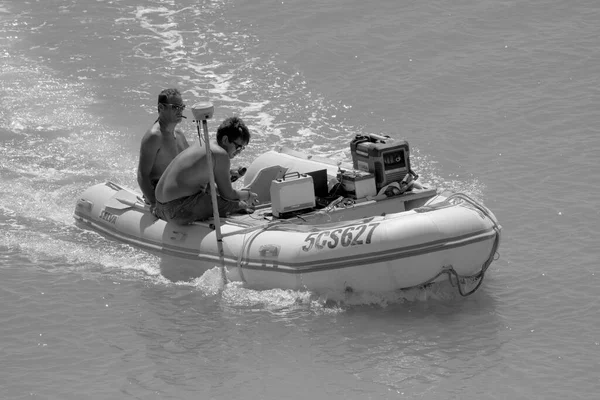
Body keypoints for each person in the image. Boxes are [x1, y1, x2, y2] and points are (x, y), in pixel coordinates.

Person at [153, 116, 259, 224]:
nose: (239, 151)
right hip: (176, 210)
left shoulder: (204, 143)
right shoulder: (221, 154)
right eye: (238, 147)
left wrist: (227, 174)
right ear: (225, 139)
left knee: (219, 197)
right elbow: (228, 195)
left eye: (242, 148)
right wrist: (247, 195)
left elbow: (208, 186)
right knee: (237, 205)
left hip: (159, 206)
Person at [137, 88, 190, 214]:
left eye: (182, 107)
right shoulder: (154, 136)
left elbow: (193, 163)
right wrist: (154, 203)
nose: (180, 110)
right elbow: (142, 175)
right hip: (160, 192)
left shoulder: (179, 134)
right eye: (175, 107)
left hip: (178, 189)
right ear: (161, 108)